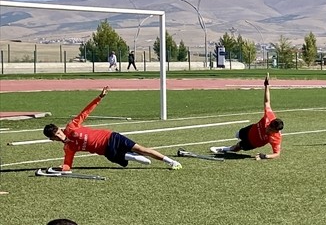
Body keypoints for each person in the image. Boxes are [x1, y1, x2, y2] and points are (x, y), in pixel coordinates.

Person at [43, 87, 182, 170]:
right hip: (107, 151)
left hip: (111, 137)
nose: (60, 135)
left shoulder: (71, 127)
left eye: (59, 132)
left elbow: (85, 112)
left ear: (60, 129)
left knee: (141, 149)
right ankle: (130, 155)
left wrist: (99, 97)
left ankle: (171, 162)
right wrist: (62, 168)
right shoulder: (68, 148)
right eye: (56, 136)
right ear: (52, 139)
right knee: (141, 161)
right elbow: (68, 164)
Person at [212, 73, 283, 160]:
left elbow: (277, 153)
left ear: (276, 131)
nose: (268, 129)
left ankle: (224, 149)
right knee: (237, 134)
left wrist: (265, 156)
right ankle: (233, 144)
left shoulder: (276, 138)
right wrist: (266, 86)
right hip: (250, 130)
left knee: (237, 147)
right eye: (269, 127)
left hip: (253, 143)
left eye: (271, 130)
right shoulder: (269, 117)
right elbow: (267, 102)